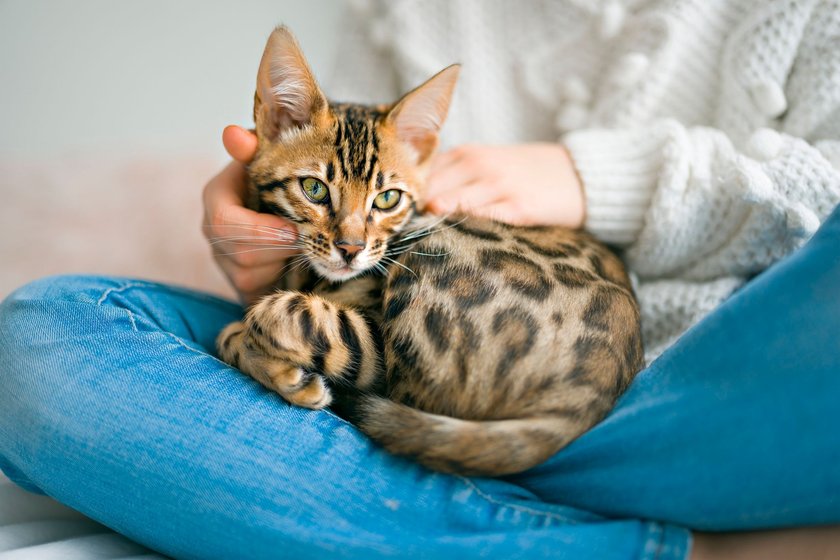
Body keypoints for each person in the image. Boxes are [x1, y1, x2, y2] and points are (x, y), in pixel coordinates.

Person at [1, 0, 839, 558]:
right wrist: (261, 266)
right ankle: (624, 543)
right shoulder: (405, 14)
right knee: (44, 337)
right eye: (328, 199)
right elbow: (357, 184)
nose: (354, 235)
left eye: (374, 209)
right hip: (446, 403)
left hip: (688, 405)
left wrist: (603, 179)